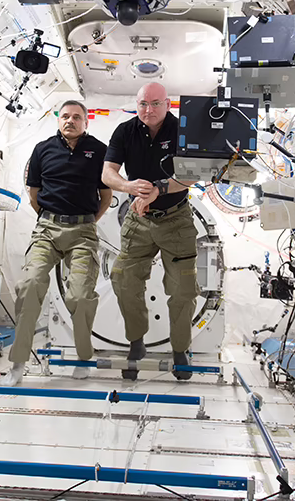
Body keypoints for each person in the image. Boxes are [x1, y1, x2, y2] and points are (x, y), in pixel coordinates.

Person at [0, 100, 112, 386]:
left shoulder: (99, 151)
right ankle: (18, 364)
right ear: (58, 119)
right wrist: (50, 219)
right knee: (30, 284)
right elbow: (33, 193)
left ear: (86, 122)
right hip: (47, 229)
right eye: (65, 116)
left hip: (83, 231)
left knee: (79, 295)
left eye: (76, 117)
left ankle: (84, 357)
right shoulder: (43, 150)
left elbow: (106, 196)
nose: (70, 121)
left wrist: (88, 222)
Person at [102, 83, 198, 380]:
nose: (149, 110)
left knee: (182, 289)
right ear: (137, 104)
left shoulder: (184, 129)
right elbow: (107, 173)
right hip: (138, 221)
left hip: (176, 219)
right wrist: (129, 187)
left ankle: (180, 349)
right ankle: (136, 342)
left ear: (168, 104)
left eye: (155, 103)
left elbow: (191, 175)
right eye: (143, 103)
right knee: (123, 280)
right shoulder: (125, 131)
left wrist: (158, 189)